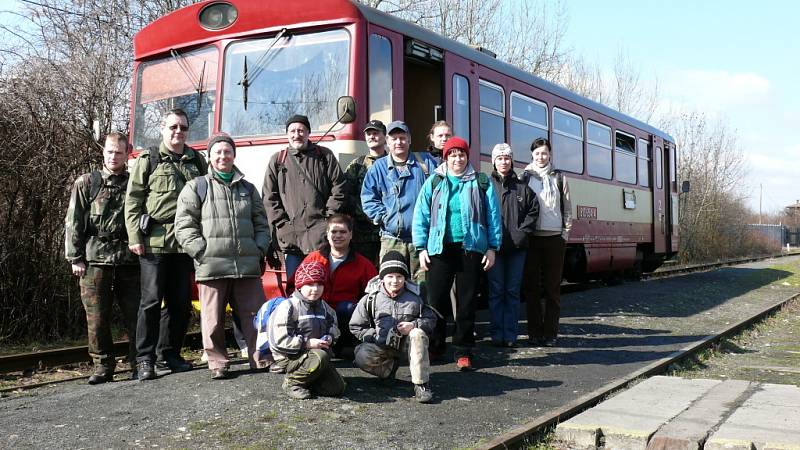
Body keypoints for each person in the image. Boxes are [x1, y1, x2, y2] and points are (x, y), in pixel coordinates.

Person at [175, 133, 270, 379]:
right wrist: (201, 252)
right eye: (217, 152)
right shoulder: (196, 187)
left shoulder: (248, 189)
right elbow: (184, 226)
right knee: (212, 319)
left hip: (246, 265)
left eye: (227, 151)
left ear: (234, 155)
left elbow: (261, 223)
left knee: (255, 316)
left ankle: (260, 357)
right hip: (212, 265)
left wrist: (259, 248)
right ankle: (218, 362)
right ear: (209, 157)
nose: (223, 156)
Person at [125, 109, 207, 380]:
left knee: (180, 303)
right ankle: (145, 359)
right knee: (150, 303)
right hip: (154, 243)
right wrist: (135, 237)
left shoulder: (197, 160)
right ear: (163, 128)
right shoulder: (149, 159)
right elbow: (133, 201)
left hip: (185, 243)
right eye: (173, 127)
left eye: (183, 127)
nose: (178, 132)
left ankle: (169, 354)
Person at [412, 137, 502, 370]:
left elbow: (493, 217)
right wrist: (421, 248)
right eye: (452, 154)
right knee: (436, 300)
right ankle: (436, 346)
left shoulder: (481, 182)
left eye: (461, 154)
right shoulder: (435, 181)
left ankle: (463, 350)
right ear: (446, 157)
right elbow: (420, 215)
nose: (457, 158)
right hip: (439, 249)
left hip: (470, 248)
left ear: (467, 156)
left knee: (467, 301)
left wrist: (492, 248)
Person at [64, 132, 140, 384]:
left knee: (137, 317)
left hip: (130, 261)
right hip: (95, 260)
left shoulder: (136, 183)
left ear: (127, 153)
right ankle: (102, 366)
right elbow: (73, 221)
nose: (114, 156)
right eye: (110, 151)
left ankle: (138, 362)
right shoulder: (87, 182)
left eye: (119, 152)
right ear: (103, 152)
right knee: (97, 319)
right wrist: (75, 257)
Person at [263, 114, 347, 279]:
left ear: (308, 132)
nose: (297, 135)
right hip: (292, 240)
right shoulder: (278, 161)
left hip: (321, 239)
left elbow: (340, 188)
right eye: (292, 131)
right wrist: (283, 224)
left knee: (322, 285)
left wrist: (328, 219)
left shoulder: (325, 157)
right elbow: (268, 197)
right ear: (287, 134)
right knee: (295, 289)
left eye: (301, 130)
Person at [349, 251, 437, 403]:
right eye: (390, 276)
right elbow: (356, 326)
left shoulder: (416, 296)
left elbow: (431, 319)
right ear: (382, 278)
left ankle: (421, 384)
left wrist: (413, 325)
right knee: (361, 356)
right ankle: (388, 371)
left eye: (399, 276)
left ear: (405, 278)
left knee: (417, 333)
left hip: (409, 347)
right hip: (382, 346)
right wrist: (374, 335)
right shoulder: (370, 298)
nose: (395, 281)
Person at [361, 120, 438, 284]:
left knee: (423, 288)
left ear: (409, 139)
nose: (399, 142)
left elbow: (441, 193)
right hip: (391, 240)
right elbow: (368, 199)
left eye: (402, 137)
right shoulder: (378, 168)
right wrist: (386, 218)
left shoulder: (426, 164)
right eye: (394, 138)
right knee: (391, 287)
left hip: (422, 241)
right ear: (387, 141)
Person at [267, 261, 346, 400]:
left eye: (319, 285)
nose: (315, 289)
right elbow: (278, 342)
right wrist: (306, 343)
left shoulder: (324, 306)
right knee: (320, 357)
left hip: (315, 354)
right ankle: (292, 383)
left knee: (337, 388)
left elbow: (333, 325)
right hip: (290, 357)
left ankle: (309, 381)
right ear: (300, 285)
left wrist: (330, 337)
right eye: (310, 284)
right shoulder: (288, 306)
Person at [300, 214, 377, 357]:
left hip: (345, 315)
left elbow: (375, 296)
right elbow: (295, 288)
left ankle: (345, 345)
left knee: (346, 308)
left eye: (343, 232)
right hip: (315, 313)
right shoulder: (313, 258)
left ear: (350, 234)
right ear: (327, 235)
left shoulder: (363, 264)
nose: (338, 236)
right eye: (334, 232)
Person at [521, 137, 572, 347]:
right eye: (537, 153)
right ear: (532, 155)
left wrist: (564, 234)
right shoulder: (524, 177)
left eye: (544, 153)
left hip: (554, 239)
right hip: (532, 238)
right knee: (531, 289)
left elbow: (567, 209)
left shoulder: (560, 178)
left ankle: (551, 333)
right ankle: (534, 332)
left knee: (552, 289)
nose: (540, 157)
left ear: (549, 154)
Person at [487, 144, 539, 348]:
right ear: (494, 161)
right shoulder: (486, 185)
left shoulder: (523, 188)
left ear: (512, 161)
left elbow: (533, 213)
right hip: (494, 249)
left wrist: (520, 233)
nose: (503, 162)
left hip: (517, 249)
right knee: (496, 290)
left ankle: (510, 335)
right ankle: (496, 334)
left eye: (507, 158)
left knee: (512, 291)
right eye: (499, 158)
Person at [343, 120, 387, 265]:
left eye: (375, 133)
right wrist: (364, 214)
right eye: (369, 134)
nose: (371, 137)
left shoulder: (393, 163)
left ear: (384, 136)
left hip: (388, 232)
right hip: (363, 233)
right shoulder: (357, 165)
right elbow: (346, 195)